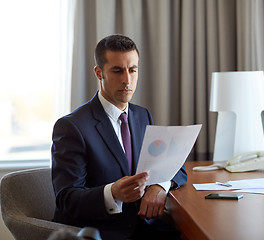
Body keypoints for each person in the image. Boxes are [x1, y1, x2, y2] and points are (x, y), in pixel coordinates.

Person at [51, 34, 187, 240]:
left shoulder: (142, 115)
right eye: (117, 70)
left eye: (133, 70)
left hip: (146, 226)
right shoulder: (71, 126)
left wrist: (160, 186)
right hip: (102, 232)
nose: (127, 80)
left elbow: (176, 166)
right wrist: (112, 193)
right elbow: (67, 200)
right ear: (99, 73)